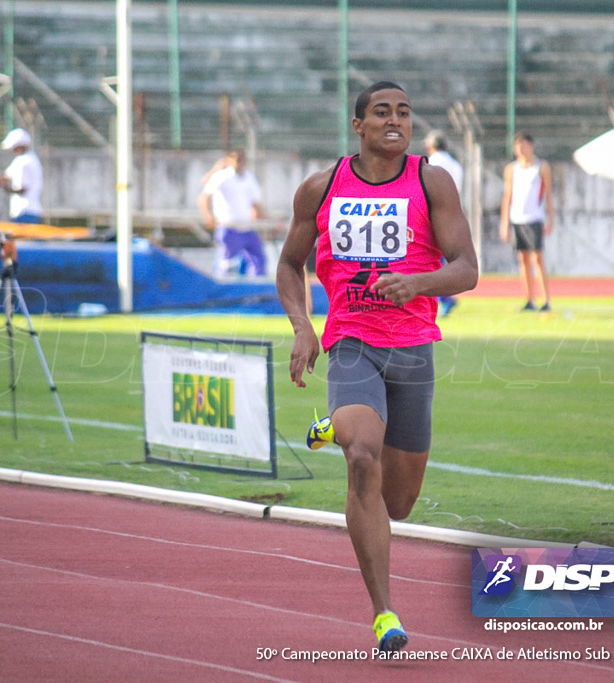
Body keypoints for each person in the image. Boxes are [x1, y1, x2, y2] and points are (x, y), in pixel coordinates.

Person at [276, 81, 478, 653]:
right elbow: (289, 266)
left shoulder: (431, 181)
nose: (395, 121)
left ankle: (333, 424)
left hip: (412, 348)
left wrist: (417, 282)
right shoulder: (321, 189)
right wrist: (301, 327)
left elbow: (466, 268)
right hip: (352, 342)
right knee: (363, 459)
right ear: (358, 125)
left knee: (398, 503)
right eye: (382, 113)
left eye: (404, 112)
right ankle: (384, 613)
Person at [499, 131, 554, 311]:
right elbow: (507, 196)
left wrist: (550, 218)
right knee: (522, 259)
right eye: (517, 145)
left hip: (534, 218)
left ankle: (546, 300)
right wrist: (505, 223)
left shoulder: (541, 167)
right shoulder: (511, 169)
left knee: (537, 258)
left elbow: (548, 195)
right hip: (517, 218)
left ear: (531, 146)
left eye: (523, 144)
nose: (520, 149)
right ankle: (530, 300)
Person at [197, 149, 267, 277]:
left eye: (241, 159)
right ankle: (223, 293)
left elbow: (256, 204)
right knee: (226, 264)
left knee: (258, 260)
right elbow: (204, 197)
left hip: (246, 229)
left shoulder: (249, 178)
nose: (239, 162)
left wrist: (262, 219)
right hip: (229, 228)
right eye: (235, 159)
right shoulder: (222, 176)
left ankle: (256, 292)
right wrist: (209, 217)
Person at [424, 129, 464, 317]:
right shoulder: (456, 165)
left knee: (432, 259)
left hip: (432, 216)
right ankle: (446, 298)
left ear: (430, 146)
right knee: (446, 258)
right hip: (452, 215)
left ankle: (445, 298)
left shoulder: (430, 163)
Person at [0, 128, 44, 224]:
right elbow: (6, 177)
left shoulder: (25, 162)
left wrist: (6, 188)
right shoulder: (27, 159)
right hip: (28, 212)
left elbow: (21, 189)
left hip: (25, 212)